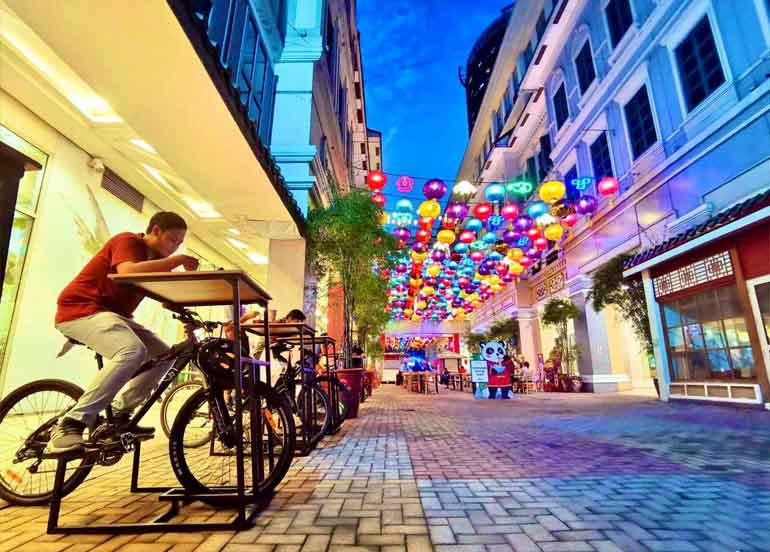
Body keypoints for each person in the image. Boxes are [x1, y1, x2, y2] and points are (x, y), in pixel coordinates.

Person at [49, 212, 198, 452]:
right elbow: (128, 271)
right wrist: (177, 260)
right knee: (132, 351)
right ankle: (72, 422)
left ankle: (118, 414)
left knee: (165, 355)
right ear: (156, 231)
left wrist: (190, 310)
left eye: (179, 244)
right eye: (172, 240)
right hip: (80, 310)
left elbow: (167, 297)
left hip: (114, 317)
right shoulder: (128, 241)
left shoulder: (155, 261)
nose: (173, 248)